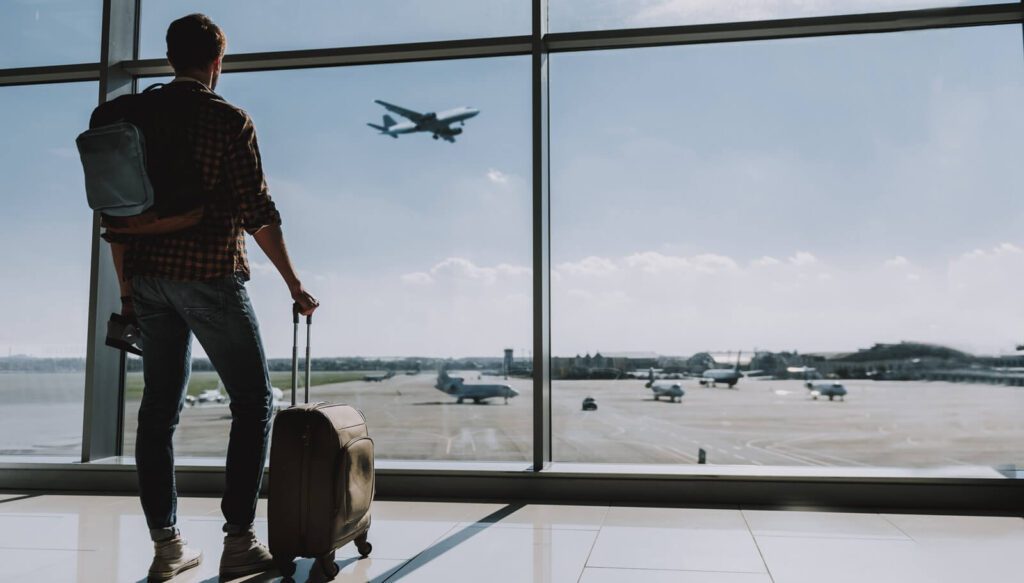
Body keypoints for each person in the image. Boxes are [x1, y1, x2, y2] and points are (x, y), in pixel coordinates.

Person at [102, 13, 318, 582]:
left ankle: (167, 546)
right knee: (253, 402)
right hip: (207, 275)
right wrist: (294, 283)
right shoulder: (228, 120)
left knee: (159, 411)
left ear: (171, 57)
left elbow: (114, 216)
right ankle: (239, 540)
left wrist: (128, 291)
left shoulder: (131, 117)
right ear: (216, 61)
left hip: (147, 280)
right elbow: (258, 213)